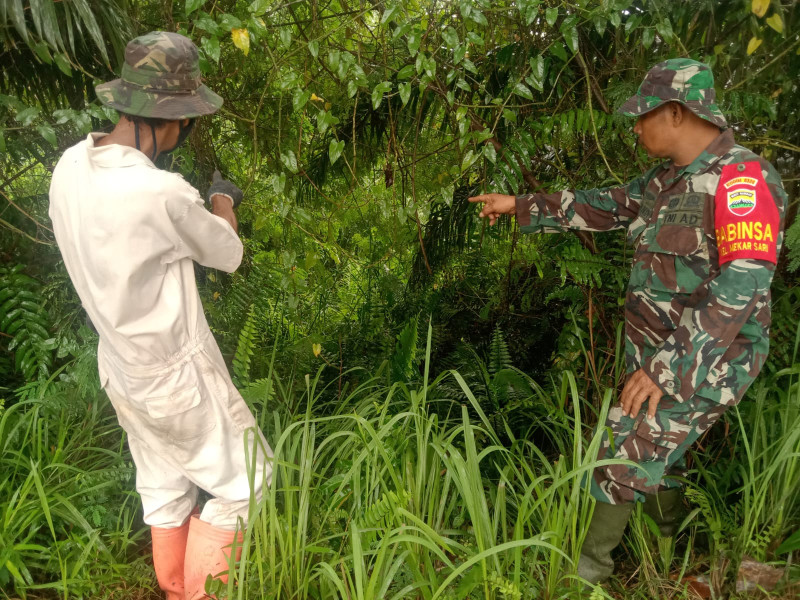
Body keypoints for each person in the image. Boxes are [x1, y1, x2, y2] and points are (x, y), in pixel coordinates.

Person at [469, 58, 786, 584]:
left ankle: (581, 580)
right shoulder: (665, 181)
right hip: (657, 351)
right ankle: (672, 563)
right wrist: (520, 205)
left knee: (624, 452)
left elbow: (742, 289)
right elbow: (605, 206)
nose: (636, 127)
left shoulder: (742, 180)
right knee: (662, 453)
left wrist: (665, 370)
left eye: (645, 115)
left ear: (679, 112)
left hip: (711, 358)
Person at [48, 32, 273, 599]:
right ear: (172, 121)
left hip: (121, 366)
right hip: (175, 374)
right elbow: (227, 253)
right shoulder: (161, 192)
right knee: (250, 482)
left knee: (165, 482)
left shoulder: (70, 167)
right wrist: (221, 200)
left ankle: (174, 589)